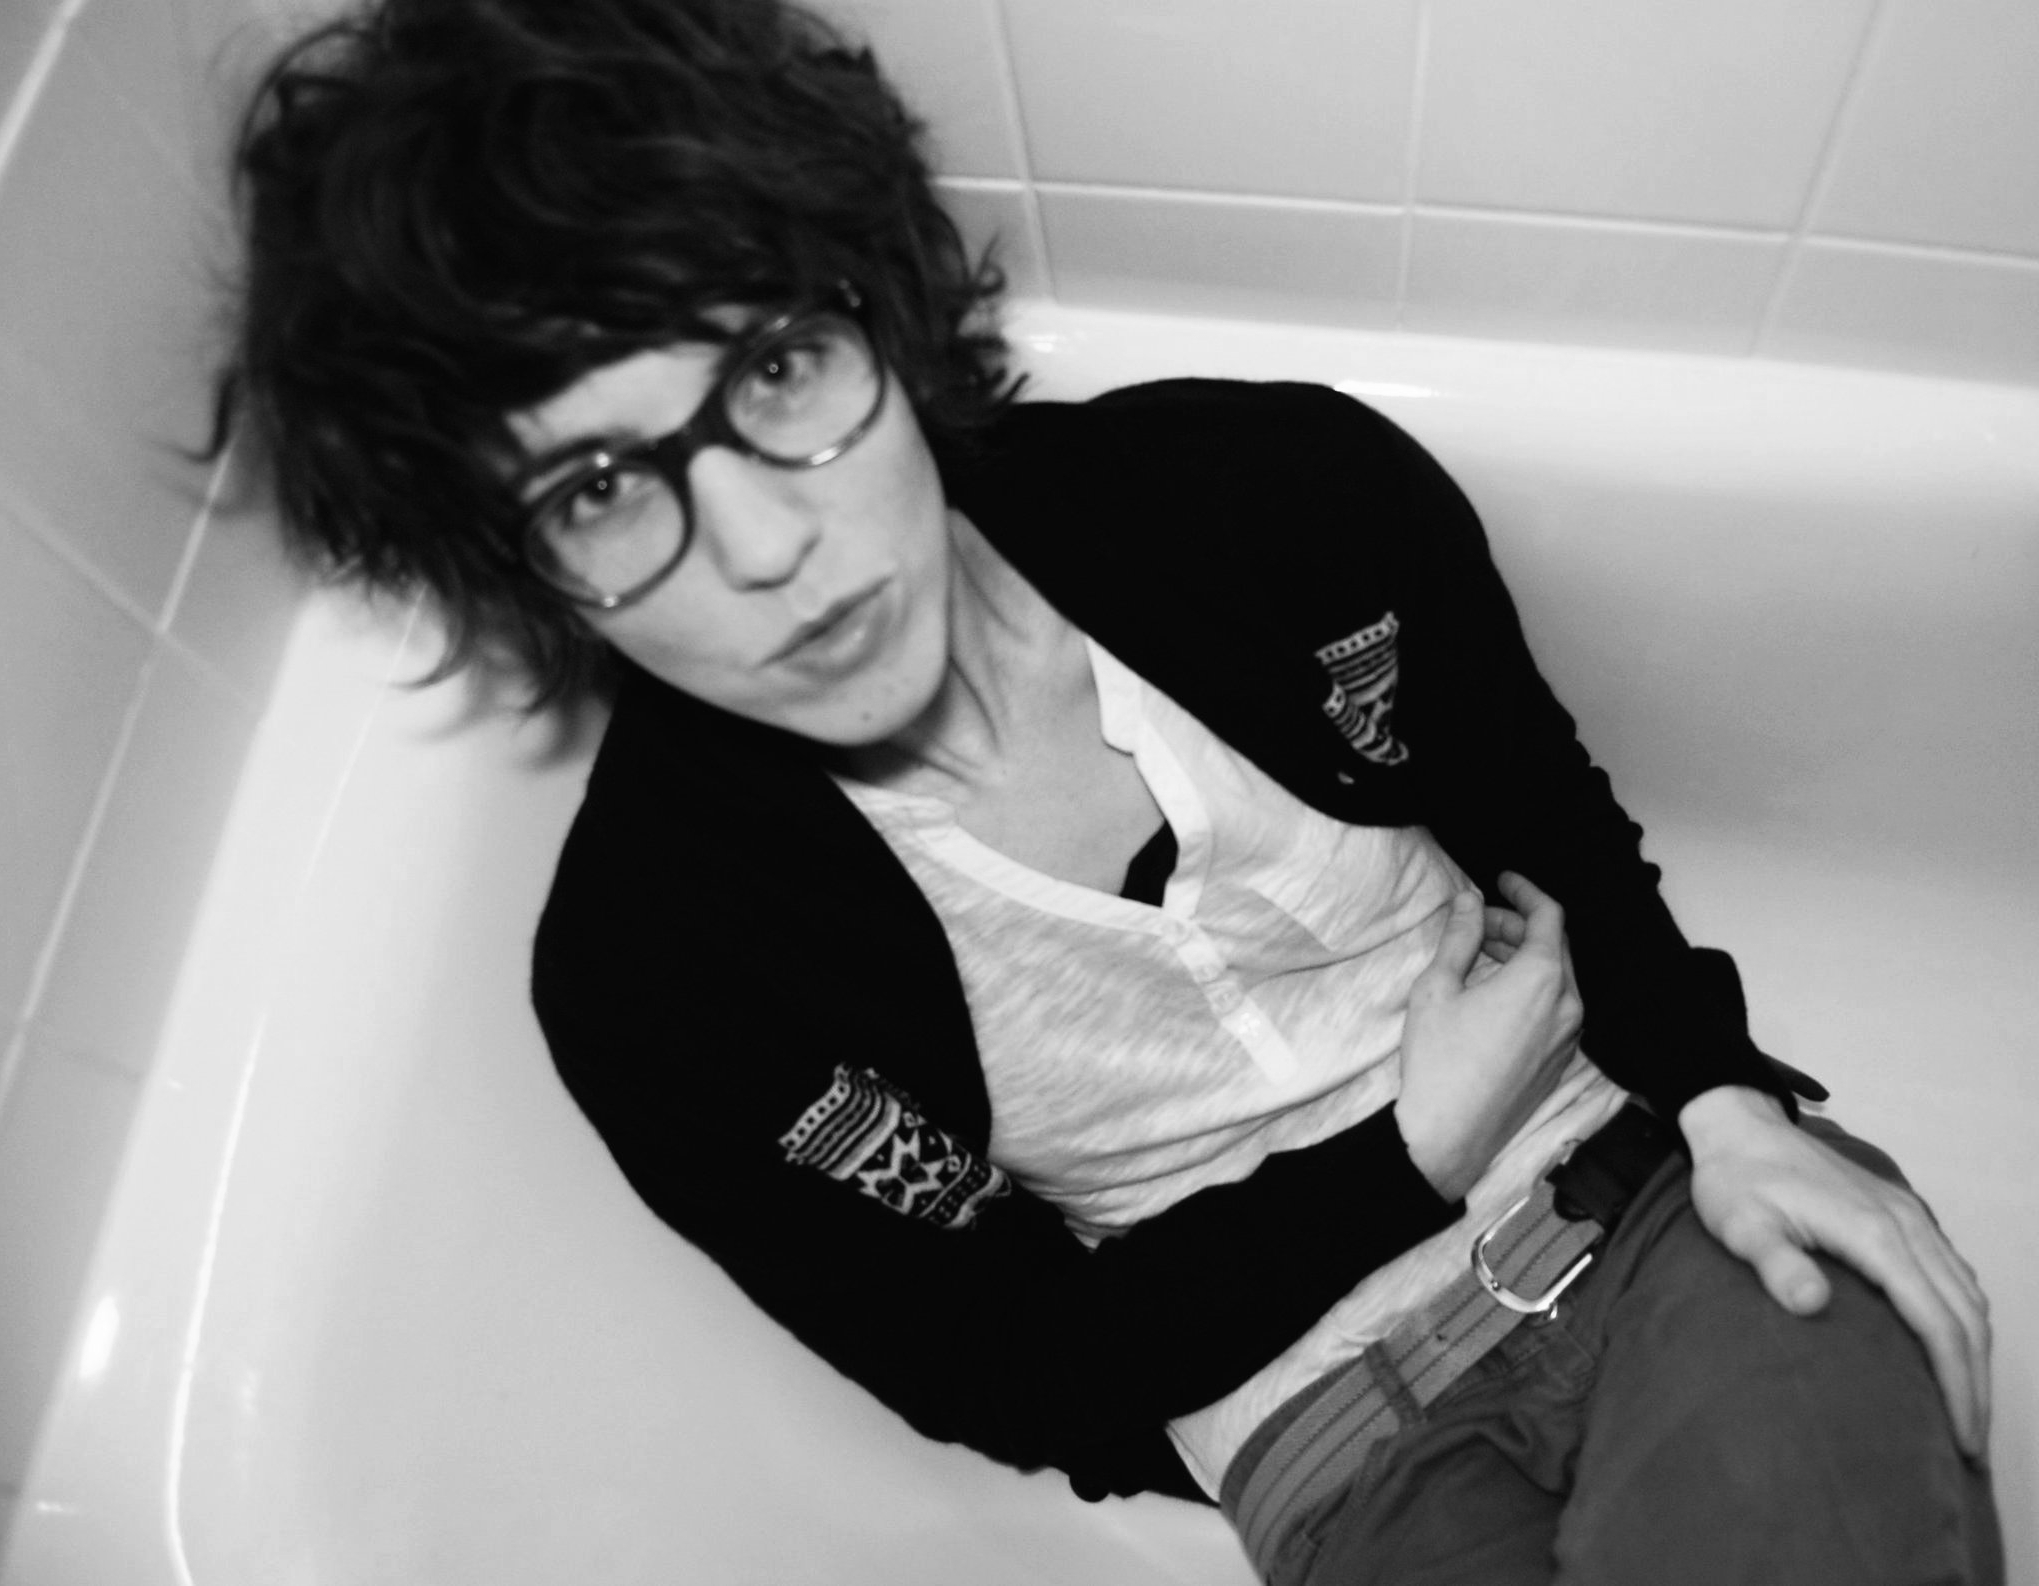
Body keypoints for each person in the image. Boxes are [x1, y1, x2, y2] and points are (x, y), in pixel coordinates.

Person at [211, 0, 2000, 1580]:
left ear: (877, 312)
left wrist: (1726, 1097)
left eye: (773, 367)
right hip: (1328, 1441)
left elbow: (1548, 809)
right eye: (601, 487)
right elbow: (1003, 1365)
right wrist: (1402, 1160)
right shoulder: (657, 975)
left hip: (1652, 1190)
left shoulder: (1281, 500)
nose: (762, 543)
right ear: (520, 568)